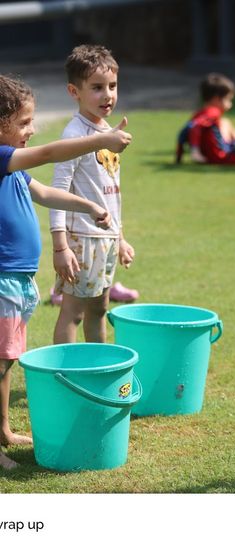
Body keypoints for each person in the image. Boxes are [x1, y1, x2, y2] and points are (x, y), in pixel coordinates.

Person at [0, 74, 131, 470]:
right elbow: (48, 154)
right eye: (24, 123)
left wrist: (87, 206)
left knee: (6, 359)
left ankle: (3, 430)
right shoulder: (3, 158)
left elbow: (45, 192)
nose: (32, 129)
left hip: (19, 281)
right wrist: (99, 140)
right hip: (3, 280)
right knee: (1, 362)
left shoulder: (15, 169)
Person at [49, 44, 137, 345]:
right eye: (97, 88)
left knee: (99, 309)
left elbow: (111, 194)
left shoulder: (108, 131)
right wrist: (61, 246)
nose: (108, 94)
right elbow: (57, 191)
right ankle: (65, 375)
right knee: (73, 312)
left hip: (105, 239)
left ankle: (96, 369)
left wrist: (119, 237)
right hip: (81, 239)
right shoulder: (74, 135)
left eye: (112, 86)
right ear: (75, 92)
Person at [175, 72, 235, 165]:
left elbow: (185, 131)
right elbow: (195, 127)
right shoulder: (213, 112)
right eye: (228, 99)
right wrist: (195, 152)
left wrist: (179, 156)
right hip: (225, 156)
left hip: (219, 153)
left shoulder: (199, 114)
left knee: (225, 122)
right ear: (216, 99)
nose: (230, 104)